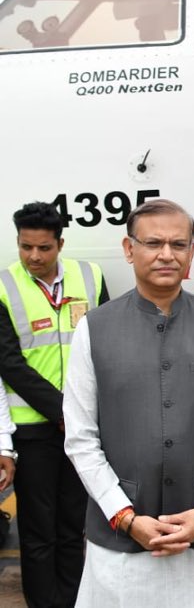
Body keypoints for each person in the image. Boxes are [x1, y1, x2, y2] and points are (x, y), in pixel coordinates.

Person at [63, 199, 194, 607]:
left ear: (192, 250)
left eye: (178, 244)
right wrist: (124, 516)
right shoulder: (94, 329)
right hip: (121, 538)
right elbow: (80, 438)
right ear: (129, 248)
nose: (167, 254)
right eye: (153, 243)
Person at [0, 201, 108, 608]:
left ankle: (74, 598)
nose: (33, 256)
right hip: (33, 430)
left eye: (43, 247)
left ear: (60, 244)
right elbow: (8, 362)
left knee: (73, 523)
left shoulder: (90, 276)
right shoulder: (4, 286)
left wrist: (79, 413)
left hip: (82, 425)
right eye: (25, 246)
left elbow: (106, 345)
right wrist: (62, 410)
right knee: (38, 528)